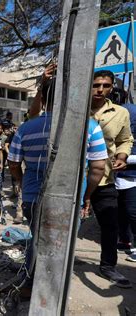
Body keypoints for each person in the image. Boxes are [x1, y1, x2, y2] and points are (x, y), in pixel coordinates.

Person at [8, 74, 109, 296]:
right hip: (72, 198)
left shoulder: (25, 128)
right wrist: (88, 196)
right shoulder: (90, 127)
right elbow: (98, 169)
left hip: (33, 197)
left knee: (37, 240)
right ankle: (54, 290)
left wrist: (23, 183)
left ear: (43, 99)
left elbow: (13, 163)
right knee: (62, 246)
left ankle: (30, 284)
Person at [90, 70, 133, 288]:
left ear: (111, 88)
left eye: (105, 86)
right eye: (96, 85)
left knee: (110, 226)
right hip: (73, 181)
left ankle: (108, 265)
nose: (100, 89)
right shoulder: (75, 111)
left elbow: (125, 139)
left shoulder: (120, 113)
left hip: (104, 179)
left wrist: (122, 156)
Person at [116, 102, 136, 262]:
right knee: (121, 213)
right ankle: (125, 241)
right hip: (119, 177)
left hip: (132, 177)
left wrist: (122, 158)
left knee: (132, 213)